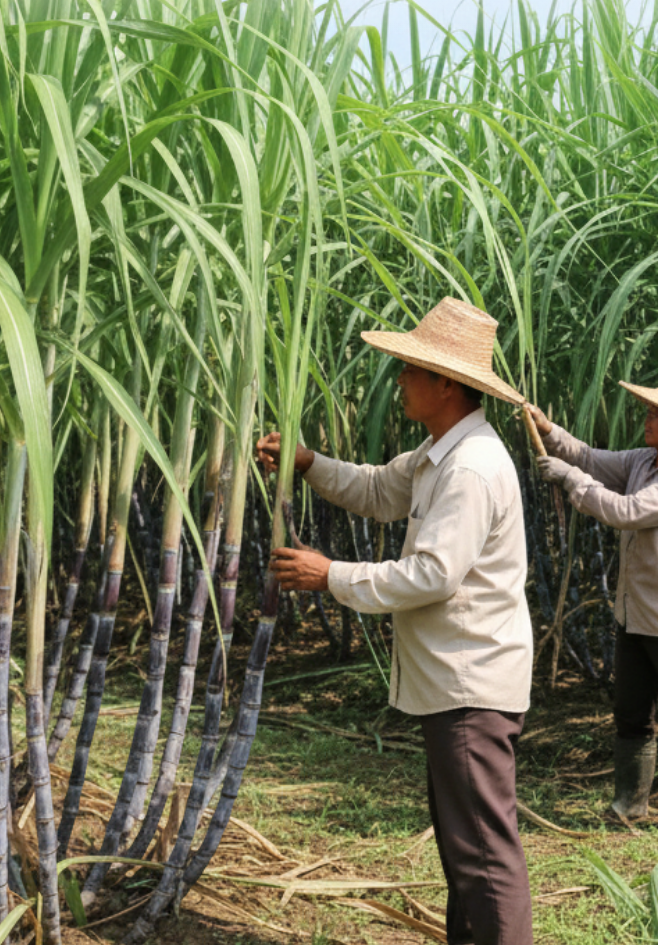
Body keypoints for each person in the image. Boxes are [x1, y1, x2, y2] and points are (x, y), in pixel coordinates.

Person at [262, 297, 533, 945]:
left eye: (411, 369)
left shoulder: (469, 467)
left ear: (446, 382)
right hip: (457, 679)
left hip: (469, 684)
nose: (400, 380)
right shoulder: (441, 453)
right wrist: (308, 463)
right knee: (466, 855)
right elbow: (379, 489)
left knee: (484, 860)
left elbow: (431, 575)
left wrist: (331, 574)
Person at [526, 371, 658, 832]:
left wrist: (568, 480)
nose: (648, 418)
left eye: (657, 413)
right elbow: (588, 456)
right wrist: (547, 430)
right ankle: (628, 805)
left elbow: (627, 513)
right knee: (631, 712)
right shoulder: (642, 461)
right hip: (634, 615)